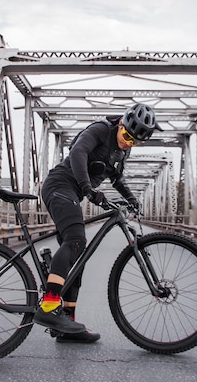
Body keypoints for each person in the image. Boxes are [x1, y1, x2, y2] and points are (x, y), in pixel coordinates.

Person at [33, 103, 158, 343]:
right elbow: (79, 153)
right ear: (121, 124)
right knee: (76, 240)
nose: (128, 142)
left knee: (76, 259)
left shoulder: (124, 151)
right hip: (60, 185)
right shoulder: (101, 129)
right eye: (127, 136)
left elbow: (117, 178)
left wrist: (131, 199)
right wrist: (87, 189)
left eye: (135, 142)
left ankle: (67, 324)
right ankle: (48, 307)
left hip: (73, 192)